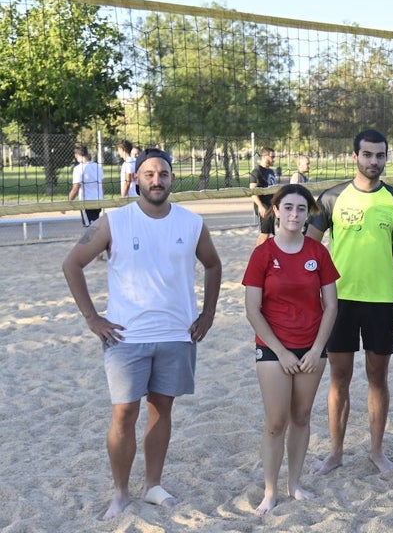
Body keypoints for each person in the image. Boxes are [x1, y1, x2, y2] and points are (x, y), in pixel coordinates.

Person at [62, 148, 222, 520]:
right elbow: (72, 263)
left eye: (163, 174)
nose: (156, 180)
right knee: (123, 414)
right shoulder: (112, 221)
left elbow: (213, 264)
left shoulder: (191, 222)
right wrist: (92, 318)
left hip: (176, 334)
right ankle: (120, 492)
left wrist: (208, 313)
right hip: (125, 337)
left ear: (171, 178)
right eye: (148, 174)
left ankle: (152, 485)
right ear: (136, 179)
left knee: (161, 410)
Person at [305, 129, 393, 474]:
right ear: (354, 156)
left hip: (382, 301)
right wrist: (316, 297)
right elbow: (310, 248)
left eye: (380, 155)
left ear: (387, 157)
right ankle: (336, 452)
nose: (374, 161)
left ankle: (376, 450)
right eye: (367, 155)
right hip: (338, 302)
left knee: (377, 378)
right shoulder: (332, 198)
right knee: (339, 377)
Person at [243, 184, 340, 515]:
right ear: (276, 211)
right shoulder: (263, 254)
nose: (294, 214)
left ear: (308, 213)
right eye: (288, 207)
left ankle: (294, 484)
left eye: (301, 208)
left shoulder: (318, 253)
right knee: (276, 422)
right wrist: (281, 352)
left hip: (311, 347)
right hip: (274, 349)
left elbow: (330, 306)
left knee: (301, 416)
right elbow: (252, 310)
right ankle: (270, 491)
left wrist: (316, 350)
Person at [68, 144, 105, 227]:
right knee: (96, 226)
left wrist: (69, 201)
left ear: (76, 155)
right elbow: (102, 185)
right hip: (98, 201)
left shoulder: (78, 169)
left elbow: (75, 188)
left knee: (91, 229)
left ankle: (96, 240)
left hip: (86, 203)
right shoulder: (97, 166)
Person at [250, 147, 278, 247]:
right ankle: (257, 258)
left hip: (271, 205)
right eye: (272, 156)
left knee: (269, 234)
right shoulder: (257, 171)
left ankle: (264, 257)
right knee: (264, 234)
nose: (274, 159)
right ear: (265, 156)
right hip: (263, 206)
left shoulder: (271, 171)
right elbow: (252, 192)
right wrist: (260, 206)